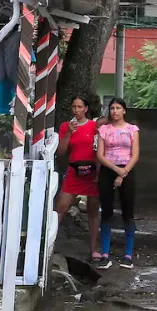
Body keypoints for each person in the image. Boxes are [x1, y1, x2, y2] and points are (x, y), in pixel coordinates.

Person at [55, 96, 102, 262]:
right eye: (74, 107)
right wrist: (68, 132)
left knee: (93, 211)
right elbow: (60, 152)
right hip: (74, 170)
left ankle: (94, 249)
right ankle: (48, 245)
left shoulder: (94, 126)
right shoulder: (65, 127)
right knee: (61, 206)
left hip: (92, 171)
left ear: (86, 109)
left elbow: (100, 148)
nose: (76, 110)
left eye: (80, 107)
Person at [95, 98, 139, 270]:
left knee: (128, 211)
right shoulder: (104, 129)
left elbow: (135, 155)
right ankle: (105, 254)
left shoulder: (132, 130)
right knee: (106, 211)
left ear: (124, 111)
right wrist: (116, 170)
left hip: (127, 170)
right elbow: (100, 154)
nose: (114, 111)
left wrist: (123, 172)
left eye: (118, 108)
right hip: (108, 169)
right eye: (112, 108)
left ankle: (128, 255)